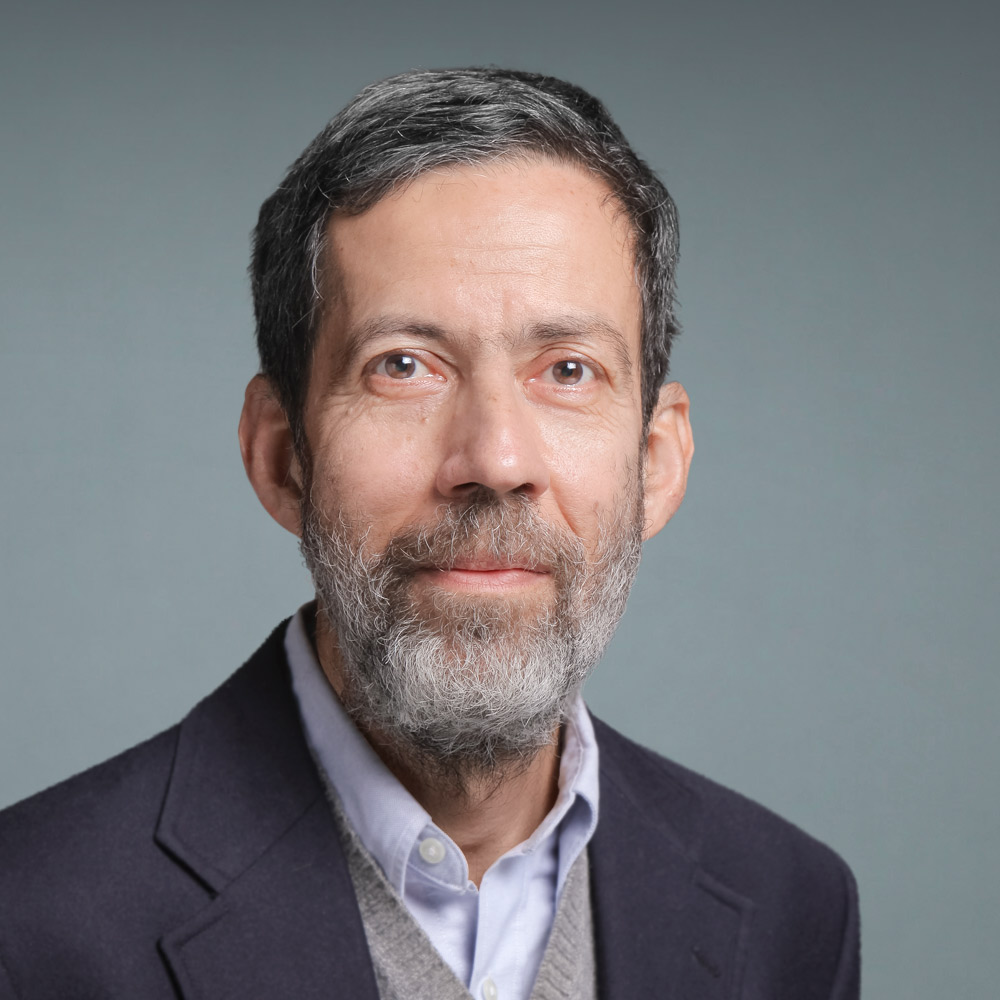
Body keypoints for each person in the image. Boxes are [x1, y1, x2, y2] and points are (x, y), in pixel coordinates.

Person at [0, 68, 860, 999]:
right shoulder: (30, 922)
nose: (494, 460)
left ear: (656, 463)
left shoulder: (791, 908)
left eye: (567, 370)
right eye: (404, 365)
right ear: (282, 456)